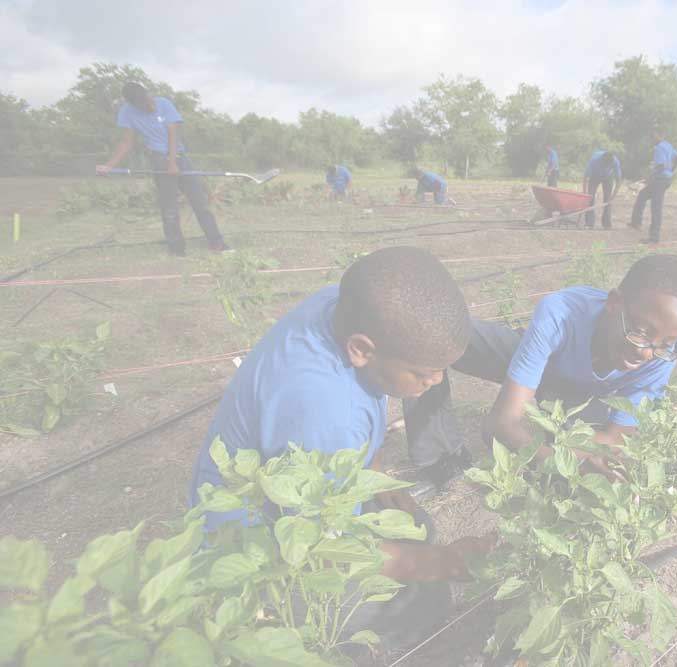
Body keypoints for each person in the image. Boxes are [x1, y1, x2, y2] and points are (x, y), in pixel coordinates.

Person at [189, 246, 490, 651]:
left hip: (300, 493)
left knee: (420, 531)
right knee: (410, 604)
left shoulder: (341, 307)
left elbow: (369, 405)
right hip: (253, 547)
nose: (435, 382)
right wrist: (444, 563)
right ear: (361, 349)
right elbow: (325, 551)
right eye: (422, 372)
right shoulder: (325, 410)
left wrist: (375, 472)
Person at [403, 254, 677, 491]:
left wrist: (575, 463)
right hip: (540, 361)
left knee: (571, 454)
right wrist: (563, 465)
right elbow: (497, 426)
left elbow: (613, 438)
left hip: (583, 396)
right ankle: (441, 456)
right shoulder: (562, 313)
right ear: (614, 303)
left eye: (664, 344)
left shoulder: (663, 355)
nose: (647, 352)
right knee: (440, 332)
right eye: (639, 332)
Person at [97, 82, 228, 257]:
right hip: (158, 159)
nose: (150, 105)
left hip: (179, 157)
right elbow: (127, 142)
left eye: (148, 99)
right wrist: (109, 166)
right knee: (170, 209)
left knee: (200, 202)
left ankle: (216, 243)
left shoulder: (164, 104)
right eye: (144, 104)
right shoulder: (127, 112)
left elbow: (173, 134)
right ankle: (177, 250)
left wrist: (172, 162)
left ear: (147, 93)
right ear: (134, 104)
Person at [630, 132, 677, 244]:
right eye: (651, 137)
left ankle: (654, 238)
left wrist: (649, 177)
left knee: (656, 207)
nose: (652, 139)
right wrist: (671, 170)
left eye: (654, 136)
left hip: (660, 180)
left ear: (662, 135)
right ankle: (636, 222)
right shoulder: (668, 145)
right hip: (664, 179)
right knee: (642, 195)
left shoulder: (659, 147)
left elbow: (661, 166)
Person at [582, 150, 622, 229]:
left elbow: (618, 181)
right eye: (605, 165)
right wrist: (584, 193)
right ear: (602, 160)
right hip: (594, 176)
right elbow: (585, 177)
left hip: (608, 178)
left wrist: (612, 197)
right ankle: (589, 223)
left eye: (608, 165)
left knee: (607, 200)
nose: (606, 166)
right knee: (590, 198)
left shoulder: (615, 162)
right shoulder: (594, 160)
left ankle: (606, 224)